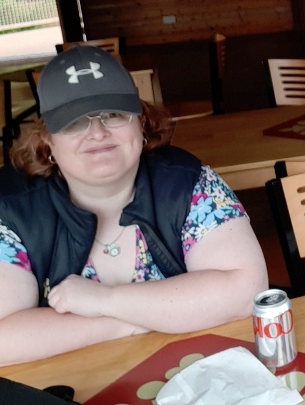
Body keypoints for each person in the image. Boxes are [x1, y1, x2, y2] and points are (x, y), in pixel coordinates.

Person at [0, 46, 268, 366]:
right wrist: (130, 320)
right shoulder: (12, 210)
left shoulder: (189, 183)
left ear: (141, 124)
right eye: (74, 122)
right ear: (48, 142)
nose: (97, 133)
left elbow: (245, 290)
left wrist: (104, 299)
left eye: (113, 114)